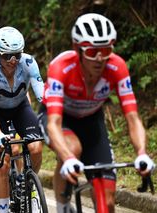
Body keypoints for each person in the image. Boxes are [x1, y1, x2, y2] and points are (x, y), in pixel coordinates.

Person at [43, 13, 155, 213]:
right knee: (72, 148)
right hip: (61, 120)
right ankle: (62, 207)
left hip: (92, 122)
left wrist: (141, 153)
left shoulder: (117, 67)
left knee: (107, 202)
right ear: (77, 49)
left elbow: (132, 117)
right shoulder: (61, 68)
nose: (100, 57)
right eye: (93, 51)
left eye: (106, 49)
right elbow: (54, 123)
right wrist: (68, 158)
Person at [0, 26, 44, 213]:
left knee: (36, 146)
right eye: (8, 56)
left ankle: (30, 187)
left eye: (16, 54)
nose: (13, 60)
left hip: (20, 108)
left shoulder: (29, 62)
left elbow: (44, 98)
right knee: (4, 161)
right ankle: (3, 209)